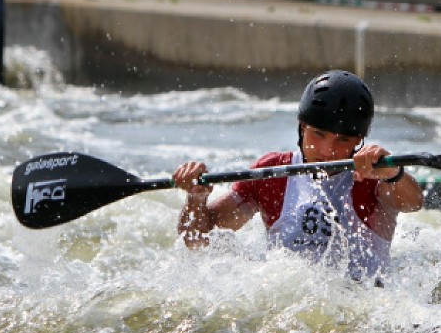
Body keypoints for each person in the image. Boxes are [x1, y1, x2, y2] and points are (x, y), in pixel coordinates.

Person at [172, 70, 423, 281]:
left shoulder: (374, 175)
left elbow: (413, 203)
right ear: (302, 127)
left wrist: (394, 173)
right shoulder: (271, 175)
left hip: (367, 302)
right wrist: (196, 199)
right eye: (318, 134)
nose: (327, 151)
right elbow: (196, 240)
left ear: (359, 141)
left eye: (343, 140)